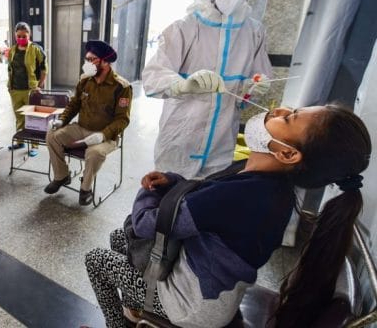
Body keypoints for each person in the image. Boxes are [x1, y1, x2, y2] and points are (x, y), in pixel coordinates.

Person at [85, 105, 371, 328]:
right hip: (213, 288)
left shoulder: (248, 196)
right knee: (117, 237)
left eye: (289, 118)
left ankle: (118, 323)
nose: (279, 110)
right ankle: (136, 311)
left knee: (96, 259)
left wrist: (146, 190)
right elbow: (203, 195)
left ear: (286, 153)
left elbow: (147, 224)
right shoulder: (265, 182)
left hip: (194, 308)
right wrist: (172, 180)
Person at [141, 0, 272, 178]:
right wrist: (182, 85)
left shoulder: (254, 32)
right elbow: (153, 76)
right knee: (167, 197)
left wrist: (254, 87)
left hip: (221, 144)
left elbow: (255, 82)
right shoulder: (185, 27)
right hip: (179, 139)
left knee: (202, 204)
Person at [44, 40, 132, 205]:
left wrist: (103, 135)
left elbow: (123, 119)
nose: (87, 63)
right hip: (81, 128)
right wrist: (61, 121)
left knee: (94, 153)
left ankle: (86, 189)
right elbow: (74, 104)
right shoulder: (85, 80)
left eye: (92, 59)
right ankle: (62, 176)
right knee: (52, 136)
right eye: (87, 59)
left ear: (105, 61)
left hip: (106, 136)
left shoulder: (122, 87)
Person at [7, 22, 47, 156]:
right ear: (15, 35)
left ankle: (35, 145)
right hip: (16, 89)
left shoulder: (36, 49)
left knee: (32, 118)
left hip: (31, 90)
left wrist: (40, 85)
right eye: (18, 36)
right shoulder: (12, 50)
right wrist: (10, 87)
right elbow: (10, 69)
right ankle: (20, 141)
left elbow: (43, 68)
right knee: (19, 117)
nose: (21, 38)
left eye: (24, 36)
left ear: (29, 35)